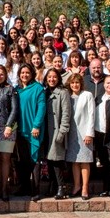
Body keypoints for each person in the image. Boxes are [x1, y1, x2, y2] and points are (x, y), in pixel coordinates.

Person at [15, 63, 46, 201]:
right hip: (20, 129)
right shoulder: (17, 89)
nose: (25, 75)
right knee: (23, 160)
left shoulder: (38, 88)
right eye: (22, 73)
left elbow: (41, 107)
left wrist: (36, 125)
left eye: (27, 72)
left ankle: (36, 189)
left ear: (32, 74)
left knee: (35, 159)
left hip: (33, 129)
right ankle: (24, 187)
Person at [0, 65, 18, 201]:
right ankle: (1, 186)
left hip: (7, 127)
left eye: (2, 74)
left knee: (5, 158)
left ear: (5, 76)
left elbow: (14, 109)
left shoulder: (10, 90)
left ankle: (5, 188)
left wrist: (9, 125)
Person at [65, 73, 95, 200]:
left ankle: (85, 187)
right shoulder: (68, 96)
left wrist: (89, 133)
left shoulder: (87, 95)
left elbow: (92, 114)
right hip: (71, 133)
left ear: (81, 84)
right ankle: (77, 185)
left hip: (84, 133)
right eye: (72, 83)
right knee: (74, 161)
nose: (75, 85)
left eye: (77, 83)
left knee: (84, 161)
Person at [43, 69, 71, 199]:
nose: (52, 79)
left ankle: (61, 187)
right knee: (49, 160)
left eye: (54, 77)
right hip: (46, 130)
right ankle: (52, 185)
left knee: (57, 160)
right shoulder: (45, 92)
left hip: (56, 130)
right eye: (49, 77)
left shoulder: (63, 92)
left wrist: (62, 131)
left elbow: (66, 113)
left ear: (58, 78)